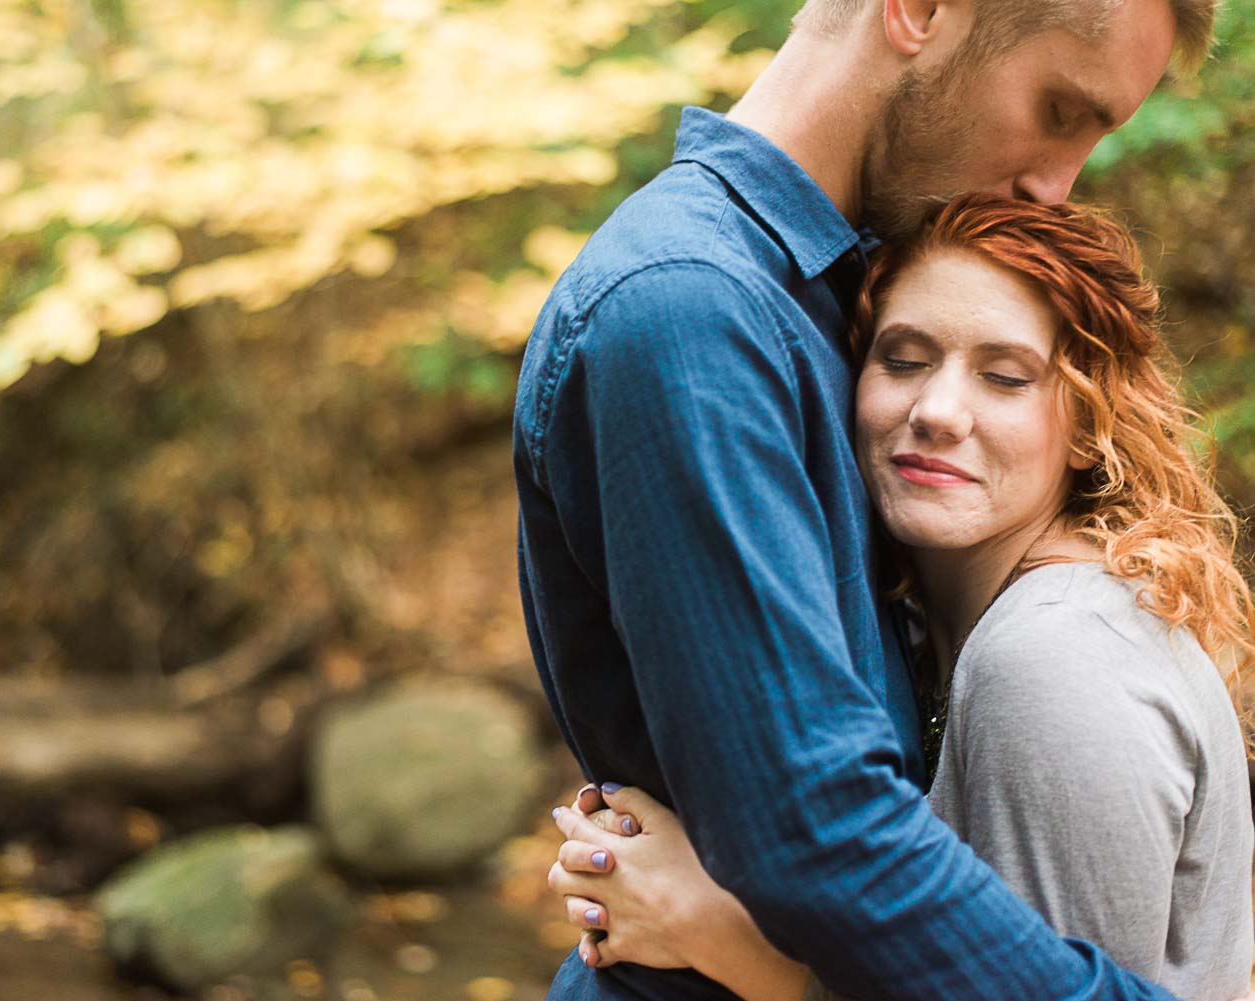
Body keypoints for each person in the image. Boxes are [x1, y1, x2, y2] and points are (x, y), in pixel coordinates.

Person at [512, 0, 1220, 996]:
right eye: (1059, 109)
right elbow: (817, 825)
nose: (1056, 189)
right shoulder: (692, 307)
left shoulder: (833, 295)